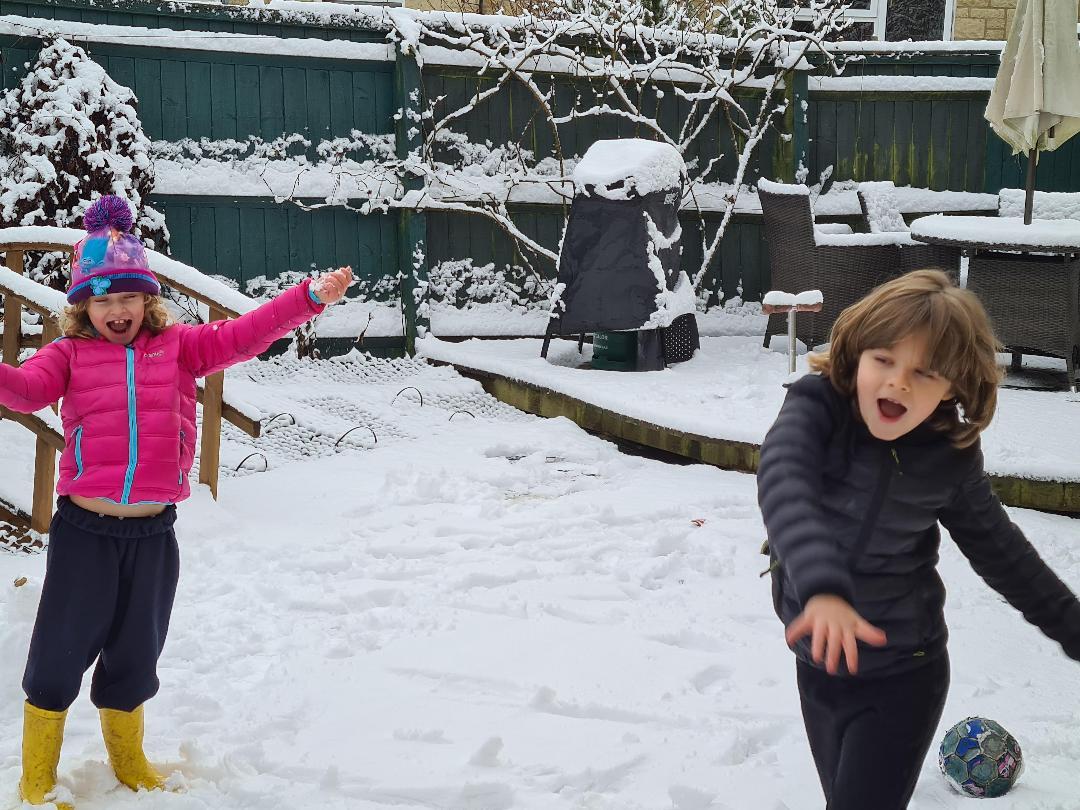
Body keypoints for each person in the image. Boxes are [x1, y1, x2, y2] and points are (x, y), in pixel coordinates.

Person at [2, 195, 353, 809]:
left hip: (152, 535)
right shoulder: (69, 354)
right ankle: (37, 774)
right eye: (102, 300)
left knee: (137, 651)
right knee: (60, 649)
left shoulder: (180, 348)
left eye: (128, 297)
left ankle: (129, 760)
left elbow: (246, 335)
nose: (117, 310)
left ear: (147, 299)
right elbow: (28, 392)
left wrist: (307, 299)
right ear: (83, 306)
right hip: (85, 532)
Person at [757, 269, 1080, 809]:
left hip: (903, 675)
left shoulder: (948, 457)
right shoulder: (817, 407)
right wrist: (822, 588)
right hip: (818, 662)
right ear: (857, 354)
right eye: (883, 359)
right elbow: (784, 481)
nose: (898, 382)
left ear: (952, 385)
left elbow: (1004, 554)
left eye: (924, 372)